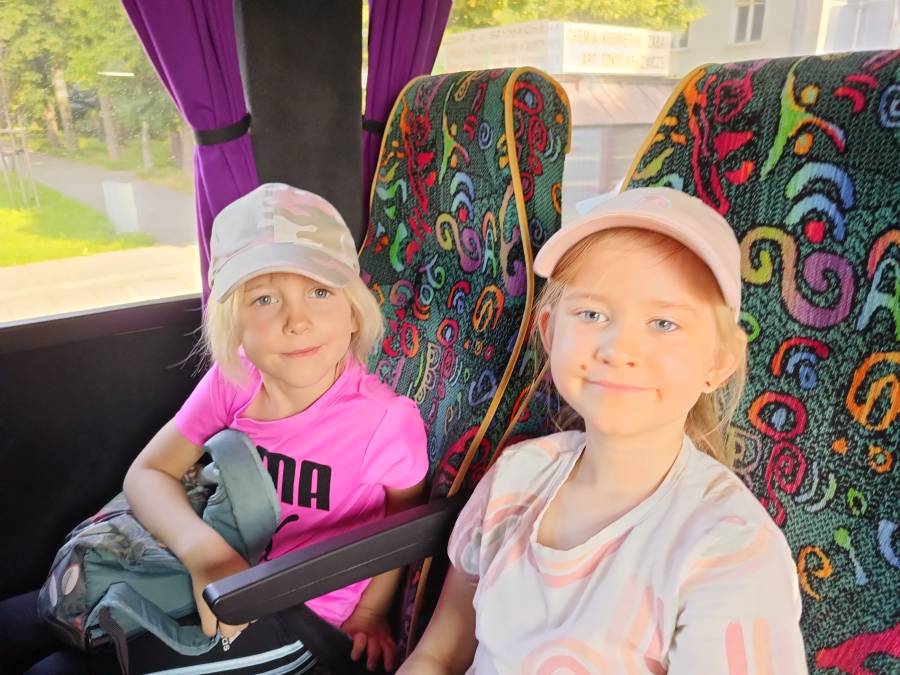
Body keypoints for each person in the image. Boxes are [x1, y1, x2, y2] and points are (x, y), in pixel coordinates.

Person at [3, 183, 428, 674]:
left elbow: (403, 520)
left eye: (320, 291)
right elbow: (149, 472)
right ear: (235, 323)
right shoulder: (236, 378)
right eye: (264, 298)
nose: (297, 321)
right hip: (203, 568)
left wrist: (371, 612)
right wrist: (203, 554)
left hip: (300, 614)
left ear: (353, 312)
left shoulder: (385, 421)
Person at [399, 187, 808, 674]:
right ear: (551, 331)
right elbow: (439, 654)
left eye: (664, 322)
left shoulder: (730, 550)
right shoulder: (516, 477)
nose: (618, 348)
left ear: (719, 362)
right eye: (592, 314)